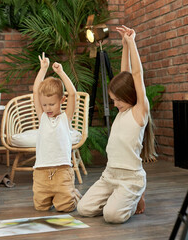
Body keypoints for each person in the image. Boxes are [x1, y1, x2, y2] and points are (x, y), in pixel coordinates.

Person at [77, 25, 156, 223]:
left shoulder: (139, 111)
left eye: (117, 100)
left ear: (129, 95)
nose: (115, 104)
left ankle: (135, 195)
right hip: (109, 175)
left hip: (130, 178)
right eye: (113, 100)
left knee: (112, 216)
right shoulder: (123, 110)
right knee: (83, 209)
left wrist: (132, 43)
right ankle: (118, 198)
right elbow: (125, 74)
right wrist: (124, 46)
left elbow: (136, 75)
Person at [32, 52, 81, 212]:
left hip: (62, 171)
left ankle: (73, 194)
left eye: (52, 104)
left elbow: (72, 93)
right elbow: (35, 92)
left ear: (62, 101)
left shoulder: (65, 118)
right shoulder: (43, 117)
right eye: (44, 105)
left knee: (65, 208)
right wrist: (43, 69)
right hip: (41, 172)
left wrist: (61, 72)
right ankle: (60, 195)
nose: (47, 108)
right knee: (40, 208)